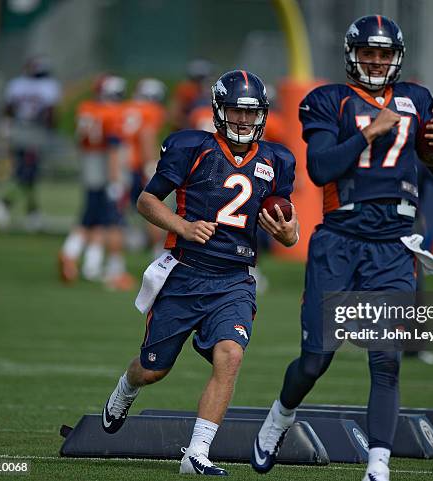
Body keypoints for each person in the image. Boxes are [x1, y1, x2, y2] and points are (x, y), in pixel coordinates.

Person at [250, 15, 433, 481]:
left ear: (396, 57)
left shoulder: (418, 99)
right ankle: (279, 418)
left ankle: (378, 466)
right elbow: (321, 168)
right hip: (340, 242)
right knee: (316, 360)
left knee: (386, 358)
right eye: (368, 52)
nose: (375, 61)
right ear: (352, 54)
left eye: (383, 53)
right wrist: (369, 132)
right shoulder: (328, 100)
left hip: (392, 245)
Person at [100, 70, 298, 475]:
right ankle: (126, 387)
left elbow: (288, 229)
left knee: (230, 355)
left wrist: (289, 232)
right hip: (186, 274)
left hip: (236, 279)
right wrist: (183, 227)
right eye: (235, 112)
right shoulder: (193, 146)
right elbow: (146, 201)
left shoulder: (277, 159)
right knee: (152, 369)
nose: (243, 120)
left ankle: (197, 454)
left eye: (251, 113)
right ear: (218, 110)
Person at [58, 75, 127, 283]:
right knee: (102, 218)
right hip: (104, 167)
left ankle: (89, 265)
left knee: (94, 217)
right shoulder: (112, 113)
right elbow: (113, 151)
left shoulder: (86, 108)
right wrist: (115, 181)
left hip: (88, 164)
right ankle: (70, 254)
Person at [0, 55, 61, 232]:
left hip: (17, 131)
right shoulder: (48, 86)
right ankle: (3, 204)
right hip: (34, 133)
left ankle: (32, 214)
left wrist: (6, 129)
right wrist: (49, 133)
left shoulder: (16, 84)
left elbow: (8, 109)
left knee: (28, 174)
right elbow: (50, 113)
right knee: (27, 173)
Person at [121, 78, 168, 258]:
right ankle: (158, 249)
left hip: (120, 164)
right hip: (136, 165)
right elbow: (146, 136)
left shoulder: (126, 107)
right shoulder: (152, 110)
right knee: (152, 204)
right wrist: (150, 165)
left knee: (121, 208)